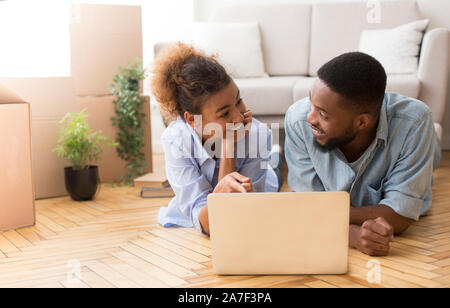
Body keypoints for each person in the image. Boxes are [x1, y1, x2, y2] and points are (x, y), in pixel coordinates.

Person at [285, 52, 441, 256]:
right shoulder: (298, 121)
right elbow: (306, 207)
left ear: (362, 122)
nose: (310, 118)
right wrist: (350, 234)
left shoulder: (415, 122)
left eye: (322, 114)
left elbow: (400, 215)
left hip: (417, 145)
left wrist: (322, 213)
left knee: (427, 159)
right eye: (311, 103)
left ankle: (429, 152)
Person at [151, 43, 282, 235]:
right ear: (192, 120)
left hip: (264, 186)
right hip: (208, 212)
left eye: (238, 101)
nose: (239, 117)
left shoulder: (258, 134)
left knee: (274, 172)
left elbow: (241, 213)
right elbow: (213, 224)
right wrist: (229, 147)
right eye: (224, 113)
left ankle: (277, 156)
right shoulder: (176, 141)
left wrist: (229, 146)